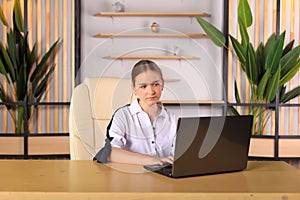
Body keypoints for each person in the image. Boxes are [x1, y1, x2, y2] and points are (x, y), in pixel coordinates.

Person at [94, 60, 177, 165]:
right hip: (130, 178)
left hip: (164, 178)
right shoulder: (122, 116)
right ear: (134, 89)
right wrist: (153, 160)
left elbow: (178, 156)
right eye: (143, 86)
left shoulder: (173, 119)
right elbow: (110, 153)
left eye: (155, 84)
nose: (151, 92)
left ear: (162, 84)